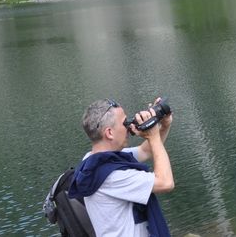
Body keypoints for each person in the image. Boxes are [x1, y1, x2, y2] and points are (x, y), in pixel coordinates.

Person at [68, 98, 175, 237]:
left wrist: (163, 126)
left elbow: (145, 151)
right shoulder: (110, 175)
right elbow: (166, 183)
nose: (129, 126)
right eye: (125, 123)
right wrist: (153, 136)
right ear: (109, 133)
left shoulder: (94, 160)